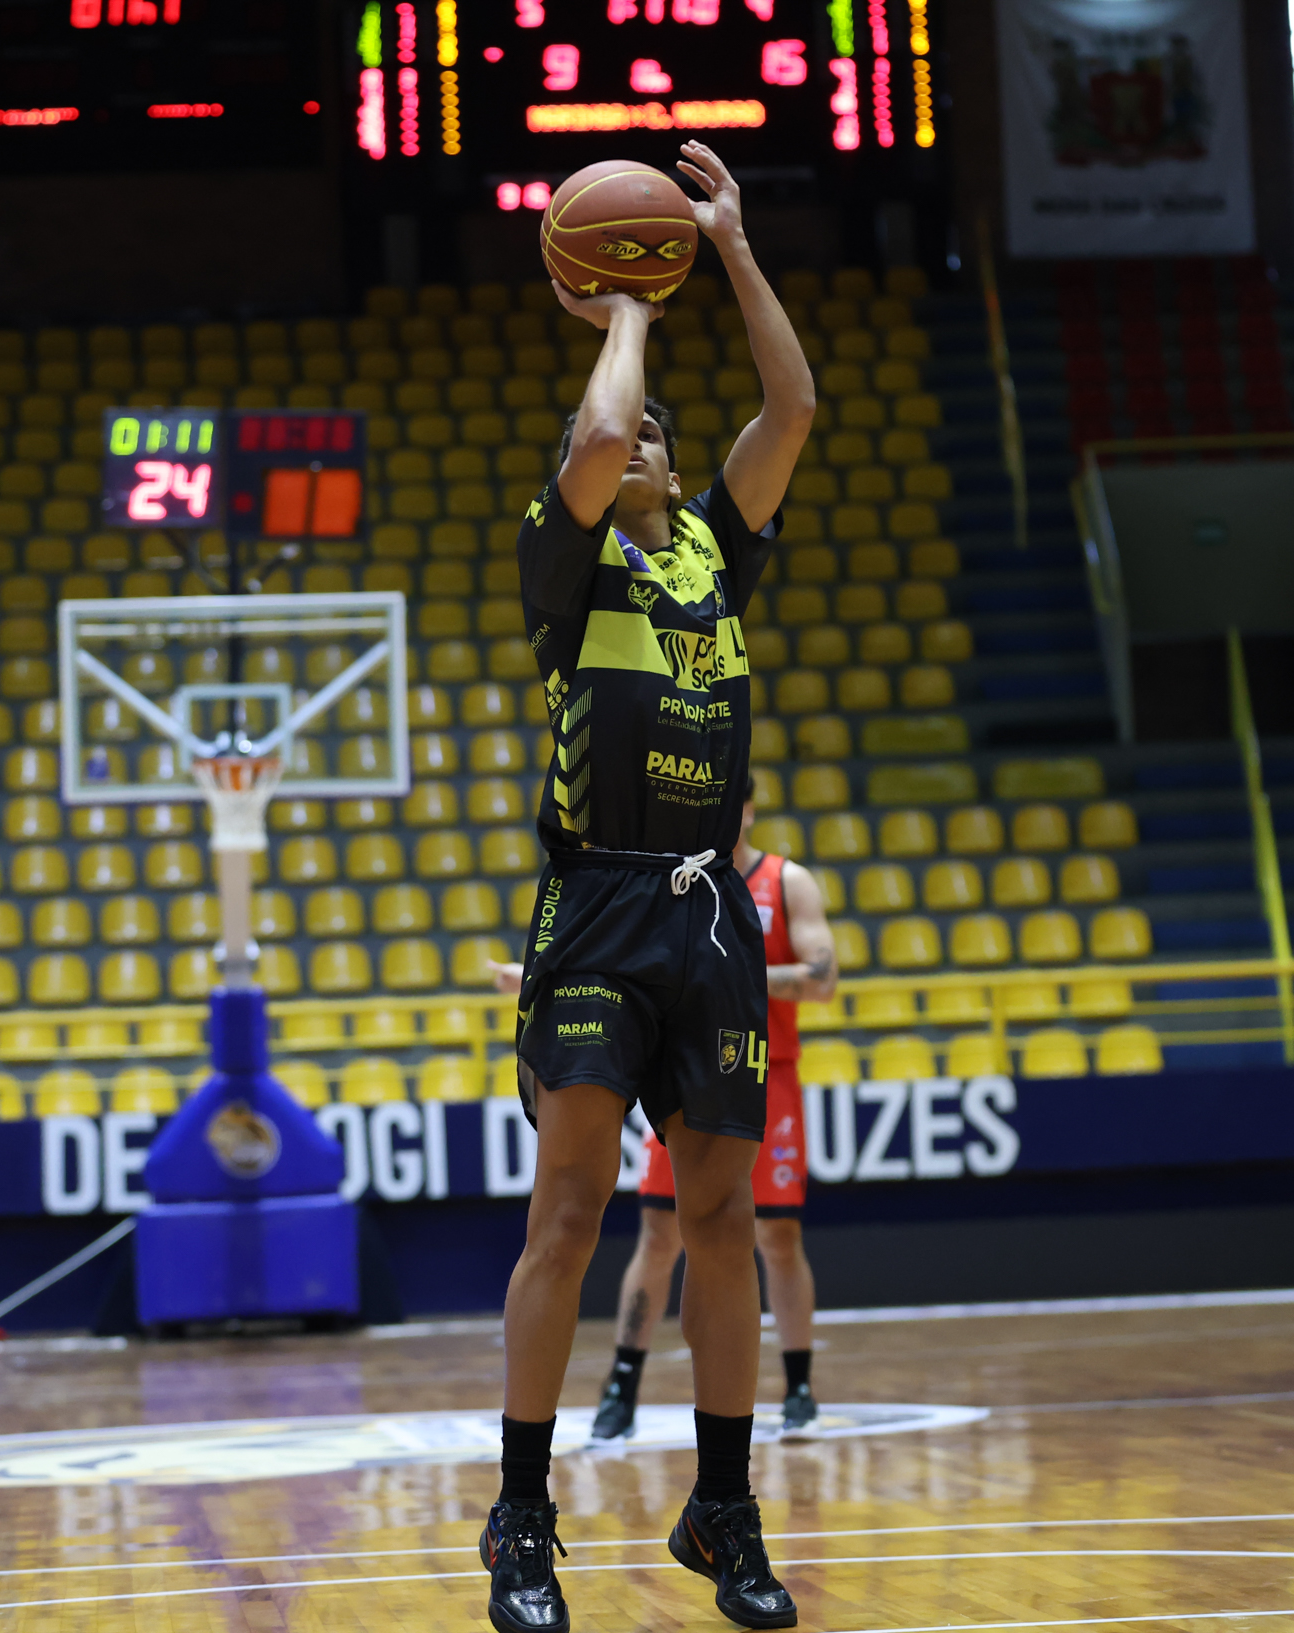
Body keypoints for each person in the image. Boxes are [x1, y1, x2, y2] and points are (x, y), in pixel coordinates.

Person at [483, 139, 814, 1633]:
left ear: (681, 472)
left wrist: (727, 246)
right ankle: (521, 1517)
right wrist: (623, 302)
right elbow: (606, 423)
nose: (624, 450)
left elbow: (792, 409)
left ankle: (722, 1506)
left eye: (646, 447)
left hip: (707, 911)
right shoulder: (565, 569)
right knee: (567, 1210)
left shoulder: (718, 560)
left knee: (722, 1213)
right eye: (602, 446)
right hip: (599, 903)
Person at [499, 779, 839, 1444]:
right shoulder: (667, 881)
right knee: (657, 1236)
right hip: (682, 1069)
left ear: (744, 807)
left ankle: (798, 1386)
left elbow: (822, 978)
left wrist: (726, 972)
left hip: (766, 1070)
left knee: (776, 1237)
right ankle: (621, 1385)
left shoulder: (785, 881)